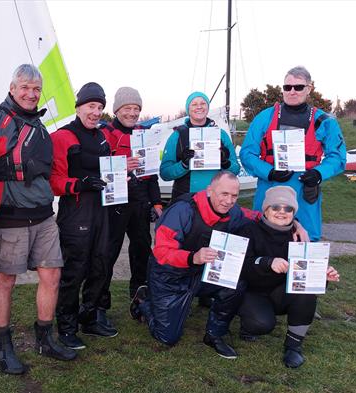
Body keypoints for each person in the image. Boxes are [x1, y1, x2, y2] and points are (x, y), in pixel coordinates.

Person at [0, 64, 76, 374]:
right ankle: (3, 347)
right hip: (8, 217)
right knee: (6, 281)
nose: (31, 94)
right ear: (12, 87)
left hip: (44, 216)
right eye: (25, 87)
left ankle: (45, 337)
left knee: (52, 276)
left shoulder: (39, 123)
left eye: (36, 89)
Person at [132, 171, 272, 358]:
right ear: (209, 191)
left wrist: (295, 224)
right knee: (167, 337)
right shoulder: (182, 211)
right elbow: (161, 252)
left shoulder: (233, 212)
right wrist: (192, 258)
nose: (229, 201)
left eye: (234, 196)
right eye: (224, 194)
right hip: (169, 276)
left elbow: (254, 216)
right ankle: (143, 301)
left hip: (200, 273)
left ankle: (215, 334)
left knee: (235, 283)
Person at [239, 66, 346, 241]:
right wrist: (269, 172)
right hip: (270, 186)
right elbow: (247, 153)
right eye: (287, 87)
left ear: (309, 89)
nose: (292, 92)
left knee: (305, 240)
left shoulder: (325, 122)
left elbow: (338, 157)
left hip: (304, 190)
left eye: (298, 87)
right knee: (261, 237)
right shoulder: (264, 118)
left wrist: (318, 174)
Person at [237, 186, 339, 368]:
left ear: (294, 212)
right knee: (261, 324)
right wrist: (267, 262)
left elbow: (306, 277)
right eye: (275, 207)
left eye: (288, 208)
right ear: (266, 209)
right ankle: (247, 325)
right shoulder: (249, 230)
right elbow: (239, 266)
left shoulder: (300, 237)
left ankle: (294, 346)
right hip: (253, 290)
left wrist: (323, 276)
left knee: (306, 292)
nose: (281, 212)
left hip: (281, 291)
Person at [49, 82, 116, 350]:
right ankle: (66, 326)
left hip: (102, 209)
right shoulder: (61, 137)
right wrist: (78, 185)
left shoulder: (102, 137)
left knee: (100, 264)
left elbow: (110, 170)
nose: (96, 112)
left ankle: (89, 318)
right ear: (78, 108)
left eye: (100, 107)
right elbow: (53, 181)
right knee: (74, 270)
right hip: (75, 211)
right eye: (91, 106)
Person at [99, 87, 162, 316]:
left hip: (140, 201)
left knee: (141, 252)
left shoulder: (144, 134)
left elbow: (152, 174)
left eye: (136, 109)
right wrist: (121, 165)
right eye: (128, 108)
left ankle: (139, 301)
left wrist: (157, 203)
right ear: (117, 110)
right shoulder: (104, 133)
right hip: (114, 202)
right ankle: (99, 305)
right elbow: (97, 167)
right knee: (108, 254)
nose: (132, 113)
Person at [160, 91, 240, 199]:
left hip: (215, 198)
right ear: (188, 109)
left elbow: (236, 170)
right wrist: (183, 165)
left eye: (203, 103)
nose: (199, 107)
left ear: (208, 107)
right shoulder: (177, 135)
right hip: (185, 198)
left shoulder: (221, 134)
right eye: (194, 104)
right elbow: (165, 173)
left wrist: (225, 163)